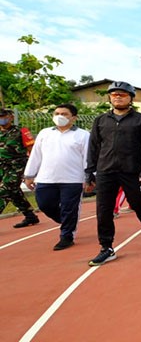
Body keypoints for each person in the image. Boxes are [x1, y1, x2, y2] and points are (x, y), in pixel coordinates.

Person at [84, 81, 141, 266]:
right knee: (103, 210)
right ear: (110, 98)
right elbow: (93, 147)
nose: (118, 97)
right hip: (106, 171)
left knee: (138, 203)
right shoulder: (101, 120)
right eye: (114, 94)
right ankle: (106, 247)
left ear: (130, 98)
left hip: (131, 170)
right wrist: (89, 171)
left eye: (122, 94)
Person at [22, 104, 89, 249]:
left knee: (69, 208)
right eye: (57, 113)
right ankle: (65, 220)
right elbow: (35, 155)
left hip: (72, 180)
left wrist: (89, 178)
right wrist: (29, 175)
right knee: (44, 204)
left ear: (74, 118)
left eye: (64, 114)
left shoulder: (83, 135)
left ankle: (67, 236)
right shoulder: (44, 133)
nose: (60, 116)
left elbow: (88, 158)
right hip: (46, 178)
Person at [0, 108, 40, 228]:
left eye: (4, 116)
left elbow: (32, 151)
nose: (2, 119)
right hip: (1, 167)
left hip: (16, 167)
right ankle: (30, 216)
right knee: (14, 192)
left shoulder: (21, 131)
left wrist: (33, 170)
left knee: (4, 191)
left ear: (11, 117)